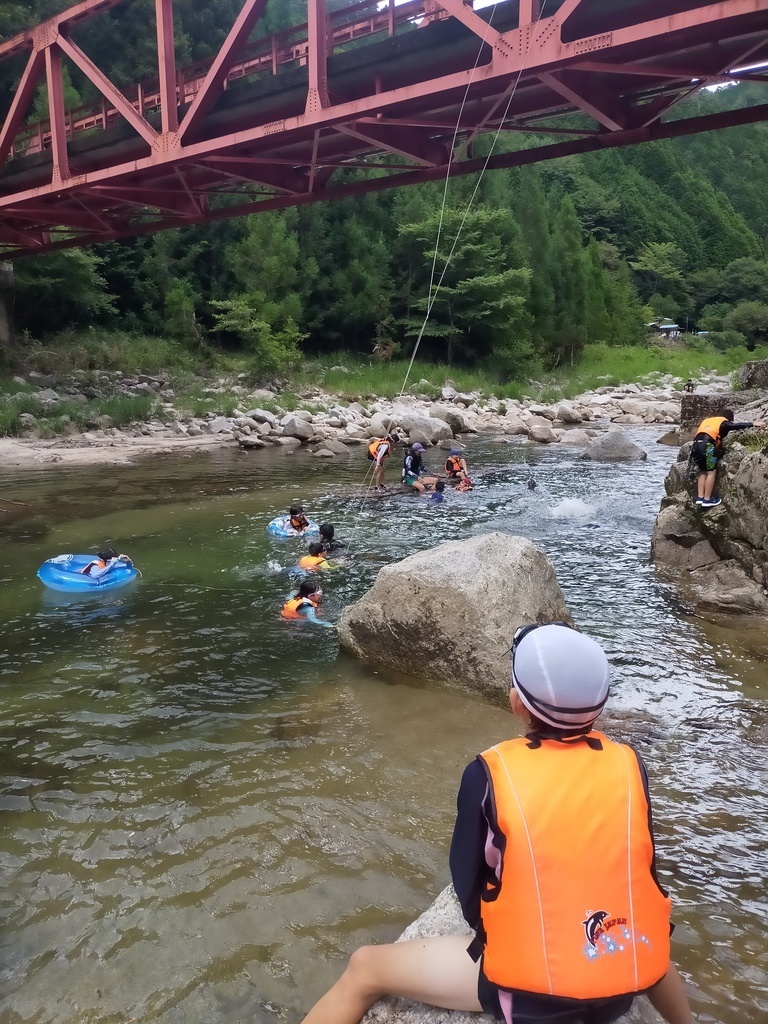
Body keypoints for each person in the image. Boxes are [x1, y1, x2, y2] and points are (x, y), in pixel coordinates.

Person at [300, 622, 696, 1024]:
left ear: (516, 704)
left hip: (530, 993)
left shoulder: (488, 773)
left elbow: (468, 885)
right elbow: (644, 869)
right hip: (627, 978)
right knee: (654, 945)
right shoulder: (631, 765)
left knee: (364, 967)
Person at [691, 410, 766, 507]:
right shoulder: (723, 423)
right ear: (729, 419)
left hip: (696, 446)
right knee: (711, 472)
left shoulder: (708, 421)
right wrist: (753, 424)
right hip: (707, 447)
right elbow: (736, 426)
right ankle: (707, 499)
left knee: (702, 471)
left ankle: (700, 497)